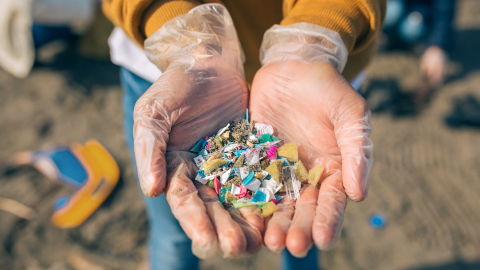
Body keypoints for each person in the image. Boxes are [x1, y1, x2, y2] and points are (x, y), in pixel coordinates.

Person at [103, 1, 385, 269]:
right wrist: (185, 43)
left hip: (318, 80)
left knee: (303, 234)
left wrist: (312, 44)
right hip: (174, 72)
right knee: (174, 233)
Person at [382, 0, 456, 93]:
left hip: (421, 12)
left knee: (411, 28)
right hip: (399, 6)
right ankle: (386, 35)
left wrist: (437, 46)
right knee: (391, 10)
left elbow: (444, 10)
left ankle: (410, 41)